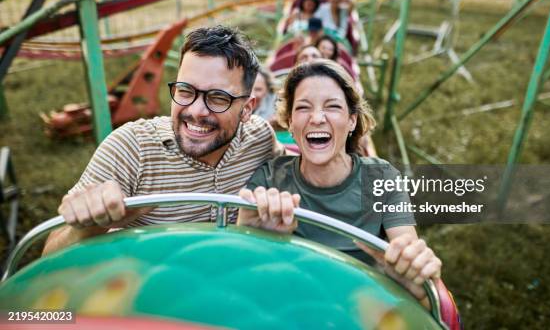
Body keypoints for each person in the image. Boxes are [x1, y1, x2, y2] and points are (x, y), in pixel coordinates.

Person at [43, 25, 283, 255]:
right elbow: (49, 256)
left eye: (218, 97)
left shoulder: (260, 139)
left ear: (248, 109)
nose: (196, 111)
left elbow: (295, 169)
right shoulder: (130, 148)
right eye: (185, 91)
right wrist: (93, 223)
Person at [236, 60, 442, 308]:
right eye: (303, 108)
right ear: (290, 122)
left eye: (332, 106)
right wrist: (255, 238)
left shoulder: (382, 177)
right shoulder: (269, 179)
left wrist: (412, 272)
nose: (317, 118)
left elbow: (407, 251)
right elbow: (245, 276)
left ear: (352, 121)